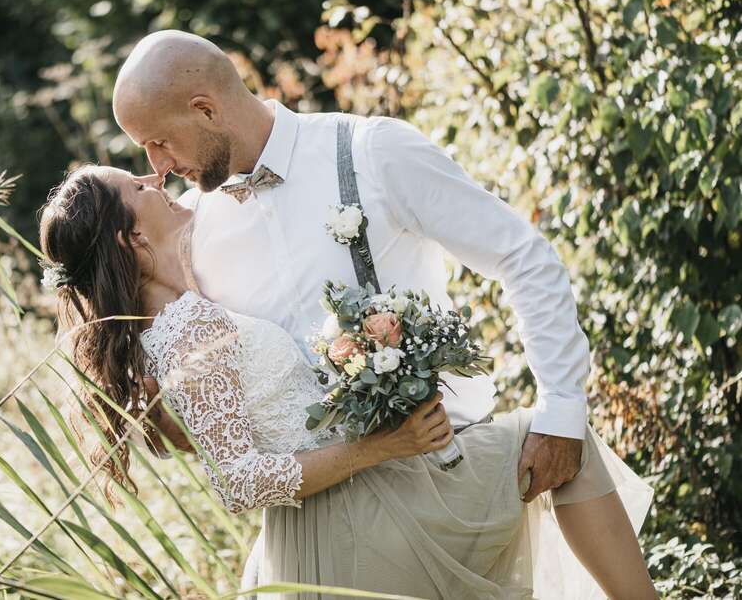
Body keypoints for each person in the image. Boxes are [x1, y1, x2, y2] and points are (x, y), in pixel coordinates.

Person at [38, 158, 656, 599]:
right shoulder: (186, 329)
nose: (154, 177)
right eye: (136, 184)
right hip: (350, 524)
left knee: (557, 451)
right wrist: (381, 446)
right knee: (558, 444)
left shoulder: (176, 312)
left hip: (337, 517)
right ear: (132, 235)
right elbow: (239, 482)